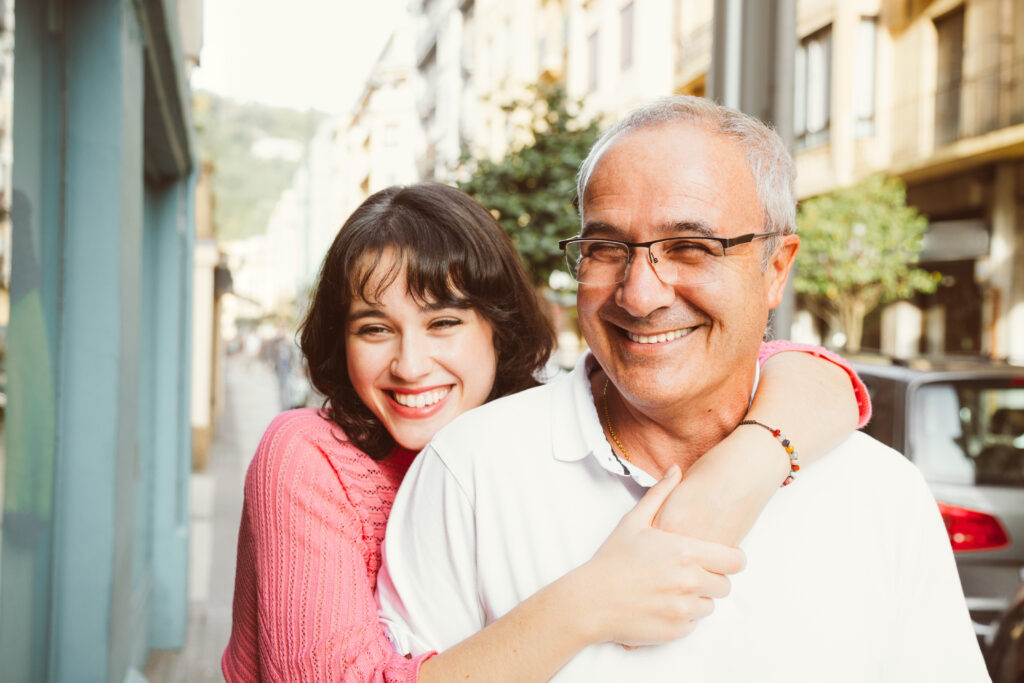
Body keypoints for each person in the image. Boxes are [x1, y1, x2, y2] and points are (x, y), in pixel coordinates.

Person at [377, 100, 990, 682]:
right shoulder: (472, 472)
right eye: (606, 248)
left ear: (776, 268)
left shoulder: (880, 494)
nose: (640, 295)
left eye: (692, 247)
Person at [223, 182, 869, 682]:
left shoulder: (520, 436)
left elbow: (802, 369)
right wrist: (590, 599)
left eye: (443, 322)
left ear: (496, 324)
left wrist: (748, 463)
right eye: (374, 328)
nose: (409, 363)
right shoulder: (307, 455)